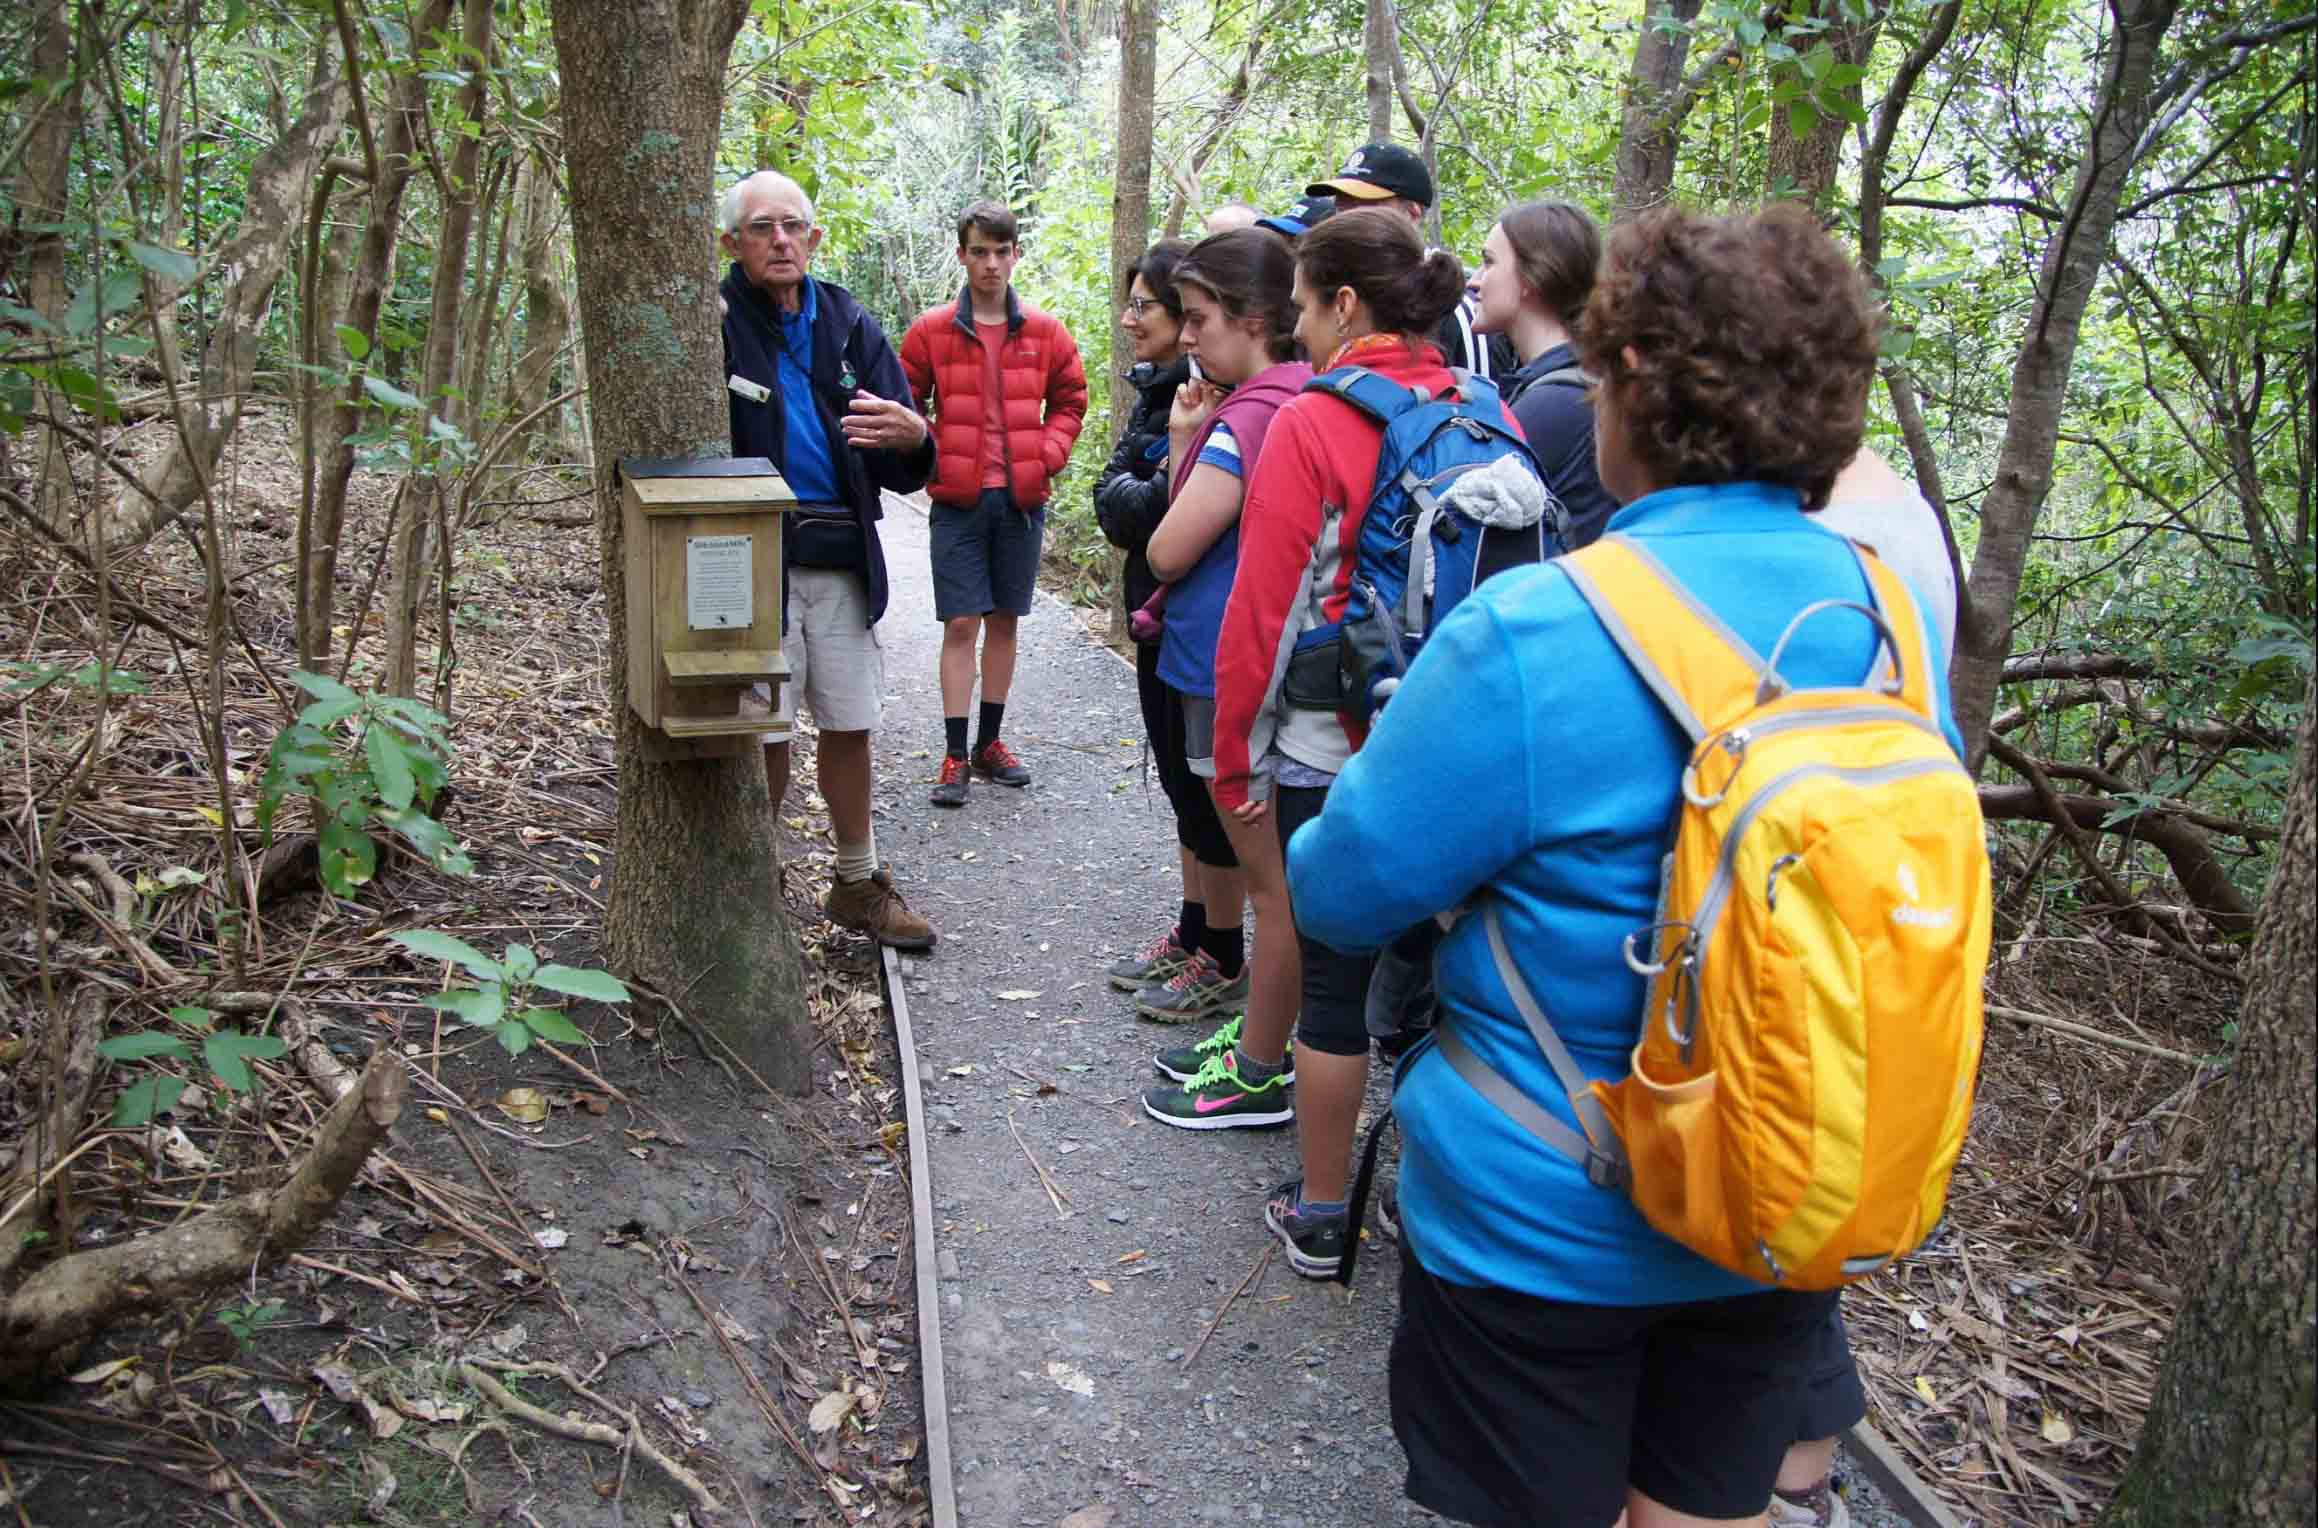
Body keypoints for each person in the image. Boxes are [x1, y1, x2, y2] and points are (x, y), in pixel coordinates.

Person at [1283, 203, 1962, 1526]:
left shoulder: (1539, 628)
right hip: (1778, 1190)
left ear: (1633, 386)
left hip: (1544, 1217)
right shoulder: (1885, 616)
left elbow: (1340, 888)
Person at [1188, 207, 1501, 1273]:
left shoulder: (1314, 423)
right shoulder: (1480, 402)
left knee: (1332, 994)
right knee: (1435, 990)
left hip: (1337, 750)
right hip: (1465, 753)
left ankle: (1322, 1214)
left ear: (1343, 304)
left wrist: (1233, 760)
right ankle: (1440, 1209)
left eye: (1305, 306)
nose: (1300, 328)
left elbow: (1260, 619)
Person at [718, 171, 936, 950]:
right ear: (733, 243)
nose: (780, 240)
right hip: (748, 556)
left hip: (839, 551)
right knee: (761, 727)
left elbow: (904, 453)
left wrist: (917, 437)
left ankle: (855, 880)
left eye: (794, 227)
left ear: (814, 239)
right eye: (762, 227)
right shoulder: (715, 320)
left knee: (851, 720)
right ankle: (750, 886)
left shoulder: (847, 320)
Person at [1109, 228, 1310, 1054]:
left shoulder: (1254, 416)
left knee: (1261, 871)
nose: (1187, 337)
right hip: (1239, 652)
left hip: (1225, 656)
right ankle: (1221, 964)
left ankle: (1259, 1042)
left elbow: (1167, 546)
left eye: (1198, 319)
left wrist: (1189, 449)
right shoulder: (1298, 398)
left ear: (1254, 318)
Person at [900, 200, 1089, 806]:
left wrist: (1047, 454)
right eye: (979, 251)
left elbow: (1070, 400)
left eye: (1001, 251)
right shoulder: (931, 330)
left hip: (1020, 501)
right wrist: (935, 453)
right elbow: (906, 405)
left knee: (1004, 621)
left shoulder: (1044, 330)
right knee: (961, 623)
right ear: (962, 255)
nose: (990, 263)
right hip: (957, 501)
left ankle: (990, 743)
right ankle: (954, 752)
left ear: (1015, 255)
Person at [1094, 239, 1221, 996]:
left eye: (1143, 305)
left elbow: (1154, 509)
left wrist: (1156, 475)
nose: (1129, 318)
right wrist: (1147, 483)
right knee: (1179, 781)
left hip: (1182, 616)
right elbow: (1114, 500)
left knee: (1198, 782)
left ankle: (1218, 950)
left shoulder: (1202, 397)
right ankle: (1194, 925)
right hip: (1152, 610)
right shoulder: (1158, 391)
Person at [1471, 198, 1618, 549]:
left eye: (1489, 262)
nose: (1475, 281)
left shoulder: (1554, 404)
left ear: (1531, 278)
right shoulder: (1578, 379)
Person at [1306, 143, 1506, 381]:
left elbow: (1479, 409)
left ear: (1412, 213)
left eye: (1364, 208)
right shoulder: (1339, 302)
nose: (1349, 220)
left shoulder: (1455, 309)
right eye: (1341, 208)